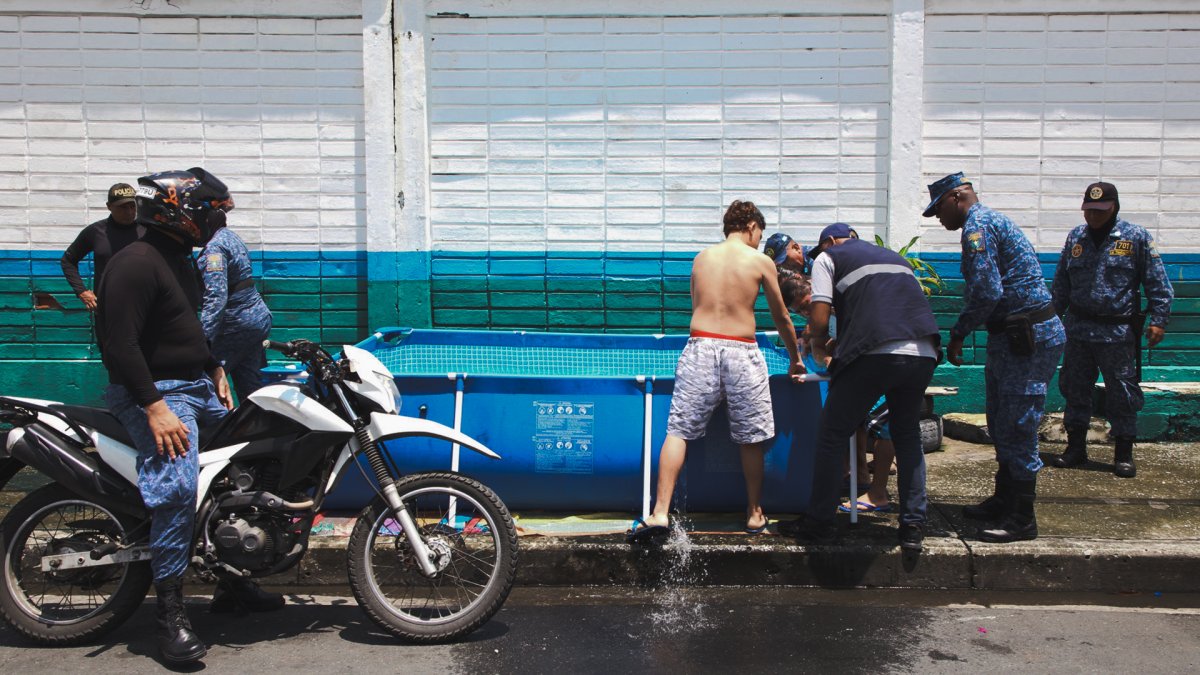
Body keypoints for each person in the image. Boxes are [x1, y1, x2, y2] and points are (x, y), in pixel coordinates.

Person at [98, 168, 282, 665]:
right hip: (155, 394)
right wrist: (155, 408)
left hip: (195, 384)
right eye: (207, 213)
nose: (213, 223)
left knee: (246, 467)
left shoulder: (178, 258)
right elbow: (119, 345)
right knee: (179, 487)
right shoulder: (134, 263)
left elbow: (188, 326)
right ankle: (170, 617)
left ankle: (232, 583)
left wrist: (213, 365)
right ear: (180, 213)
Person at [626, 200, 803, 542]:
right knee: (751, 436)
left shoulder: (701, 259)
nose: (757, 240)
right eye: (759, 234)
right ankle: (753, 514)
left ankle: (660, 513)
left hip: (701, 347)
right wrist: (795, 358)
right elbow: (781, 317)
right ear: (751, 226)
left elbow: (697, 304)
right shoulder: (760, 261)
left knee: (678, 430)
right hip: (742, 351)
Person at [780, 223, 940, 551]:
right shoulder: (895, 258)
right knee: (907, 434)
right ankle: (912, 525)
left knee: (832, 433)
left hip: (877, 352)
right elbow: (888, 311)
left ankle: (819, 522)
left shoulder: (828, 259)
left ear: (828, 243)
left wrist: (820, 348)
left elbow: (821, 316)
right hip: (924, 350)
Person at [925, 172, 1066, 543]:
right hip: (1011, 335)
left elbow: (987, 291)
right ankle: (1004, 499)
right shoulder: (984, 223)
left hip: (1028, 336)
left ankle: (1022, 517)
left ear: (957, 197)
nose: (938, 218)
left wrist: (957, 334)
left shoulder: (978, 227)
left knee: (1018, 422)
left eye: (938, 208)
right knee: (1001, 419)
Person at [1050, 182, 1173, 478]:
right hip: (1078, 329)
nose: (1093, 215)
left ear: (1114, 207)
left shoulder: (1135, 237)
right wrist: (1052, 320)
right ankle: (1075, 448)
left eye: (1100, 210)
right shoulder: (1076, 237)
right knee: (1075, 389)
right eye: (1089, 210)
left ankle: (1123, 453)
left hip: (1116, 332)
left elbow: (1158, 283)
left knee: (1122, 392)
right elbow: (1061, 286)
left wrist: (1158, 320)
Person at [200, 205, 273, 402]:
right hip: (256, 320)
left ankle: (212, 429)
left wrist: (203, 338)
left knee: (202, 380)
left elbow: (216, 296)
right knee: (253, 388)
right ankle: (260, 425)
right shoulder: (230, 237)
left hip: (235, 325)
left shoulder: (214, 249)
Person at [60, 183, 145, 311]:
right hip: (108, 308)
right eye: (122, 207)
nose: (129, 212)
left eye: (132, 206)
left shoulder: (148, 231)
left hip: (144, 307)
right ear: (109, 207)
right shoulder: (96, 232)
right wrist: (82, 292)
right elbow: (68, 261)